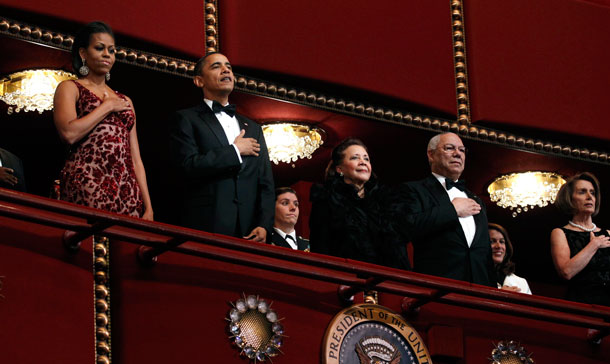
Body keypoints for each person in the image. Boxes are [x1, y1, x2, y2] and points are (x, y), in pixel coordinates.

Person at [169, 52, 274, 242]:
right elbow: (187, 166)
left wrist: (264, 224)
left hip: (249, 230)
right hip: (207, 225)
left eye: (228, 66)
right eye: (216, 66)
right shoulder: (187, 119)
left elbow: (265, 182)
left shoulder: (254, 128)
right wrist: (234, 151)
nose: (226, 70)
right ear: (199, 81)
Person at [53, 21, 153, 220]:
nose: (107, 54)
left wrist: (148, 206)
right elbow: (69, 134)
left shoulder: (126, 100)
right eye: (99, 48)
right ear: (83, 53)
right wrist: (107, 107)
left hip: (127, 191)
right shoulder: (70, 88)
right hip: (88, 182)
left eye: (112, 50)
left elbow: (136, 158)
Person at [397, 132, 495, 286]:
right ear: (431, 155)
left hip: (480, 290)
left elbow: (485, 253)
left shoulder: (477, 200)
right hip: (437, 288)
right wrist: (452, 210)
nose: (458, 154)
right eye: (450, 148)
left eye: (462, 150)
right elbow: (407, 228)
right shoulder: (414, 190)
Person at [309, 138, 410, 269]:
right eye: (355, 158)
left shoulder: (386, 202)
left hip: (386, 281)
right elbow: (320, 248)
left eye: (366, 159)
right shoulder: (326, 200)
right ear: (340, 169)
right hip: (345, 279)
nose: (363, 162)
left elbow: (399, 250)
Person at [550, 172, 610, 305]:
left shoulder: (608, 234)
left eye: (593, 193)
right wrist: (593, 245)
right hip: (581, 304)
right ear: (570, 199)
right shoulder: (560, 233)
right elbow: (566, 272)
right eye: (582, 192)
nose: (590, 197)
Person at [489, 223, 532, 294]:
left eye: (502, 242)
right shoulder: (474, 276)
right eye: (492, 241)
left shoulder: (522, 283)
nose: (499, 246)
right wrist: (499, 294)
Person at [269, 187, 309, 251]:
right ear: (272, 208)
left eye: (296, 204)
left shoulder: (309, 245)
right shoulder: (265, 241)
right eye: (285, 203)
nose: (293, 208)